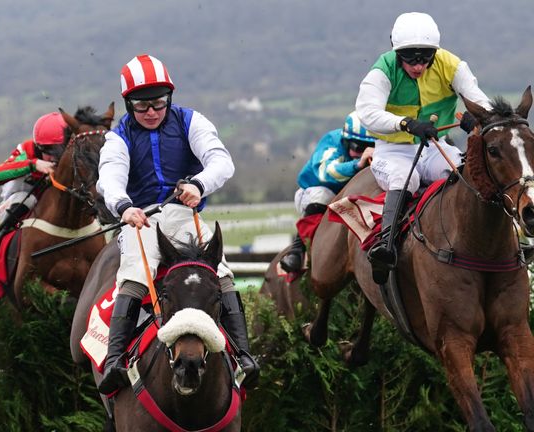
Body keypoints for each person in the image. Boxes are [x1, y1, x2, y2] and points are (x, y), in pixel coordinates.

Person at [96, 54, 259, 394]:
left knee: (222, 274)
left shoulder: (190, 120)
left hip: (186, 214)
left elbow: (220, 161)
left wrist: (198, 185)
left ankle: (244, 356)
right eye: (142, 107)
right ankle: (114, 362)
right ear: (128, 104)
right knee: (136, 275)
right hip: (140, 219)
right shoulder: (118, 136)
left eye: (159, 103)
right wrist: (124, 207)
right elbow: (109, 177)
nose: (152, 112)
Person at [356, 12, 489, 284]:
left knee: (462, 175)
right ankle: (386, 246)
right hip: (393, 150)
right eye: (410, 58)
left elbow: (480, 101)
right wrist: (405, 123)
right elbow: (367, 113)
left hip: (433, 146)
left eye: (425, 57)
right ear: (396, 51)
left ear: (435, 52)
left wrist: (478, 120)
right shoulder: (382, 70)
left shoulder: (452, 65)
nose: (418, 65)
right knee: (407, 178)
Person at [0, 112, 68, 282]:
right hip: (18, 201)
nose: (54, 157)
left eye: (59, 150)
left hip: (48, 205)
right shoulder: (26, 150)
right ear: (38, 147)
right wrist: (33, 165)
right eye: (49, 151)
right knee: (26, 201)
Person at [279, 112, 376, 273]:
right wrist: (357, 165)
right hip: (314, 195)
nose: (363, 152)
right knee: (323, 194)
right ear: (345, 141)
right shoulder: (332, 141)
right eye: (357, 147)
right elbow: (325, 172)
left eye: (368, 147)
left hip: (347, 197)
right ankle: (297, 250)